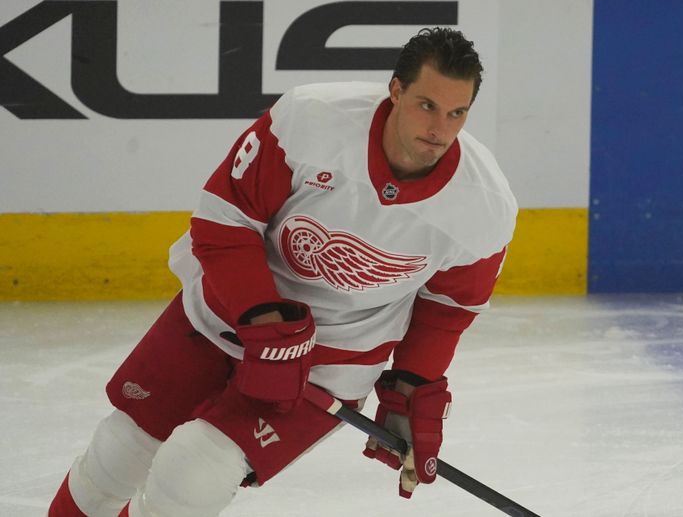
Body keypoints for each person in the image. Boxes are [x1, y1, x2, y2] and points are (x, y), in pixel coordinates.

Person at [48, 26, 518, 517]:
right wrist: (261, 316)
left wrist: (410, 386)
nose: (439, 129)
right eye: (427, 105)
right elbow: (223, 221)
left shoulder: (484, 206)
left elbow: (447, 309)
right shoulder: (311, 121)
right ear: (396, 90)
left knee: (193, 477)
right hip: (225, 313)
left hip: (333, 362)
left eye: (456, 113)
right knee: (118, 454)